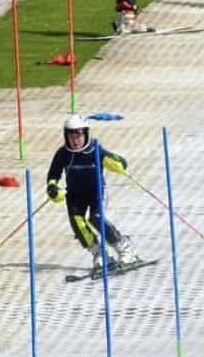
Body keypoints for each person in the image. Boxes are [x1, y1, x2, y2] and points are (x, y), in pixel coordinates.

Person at [46, 115, 139, 278]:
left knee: (96, 218)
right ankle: (100, 254)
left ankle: (125, 248)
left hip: (96, 191)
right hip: (75, 194)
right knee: (78, 224)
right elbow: (53, 174)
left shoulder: (94, 149)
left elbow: (120, 161)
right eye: (71, 135)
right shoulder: (63, 153)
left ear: (86, 134)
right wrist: (53, 187)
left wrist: (117, 164)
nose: (75, 140)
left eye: (79, 135)